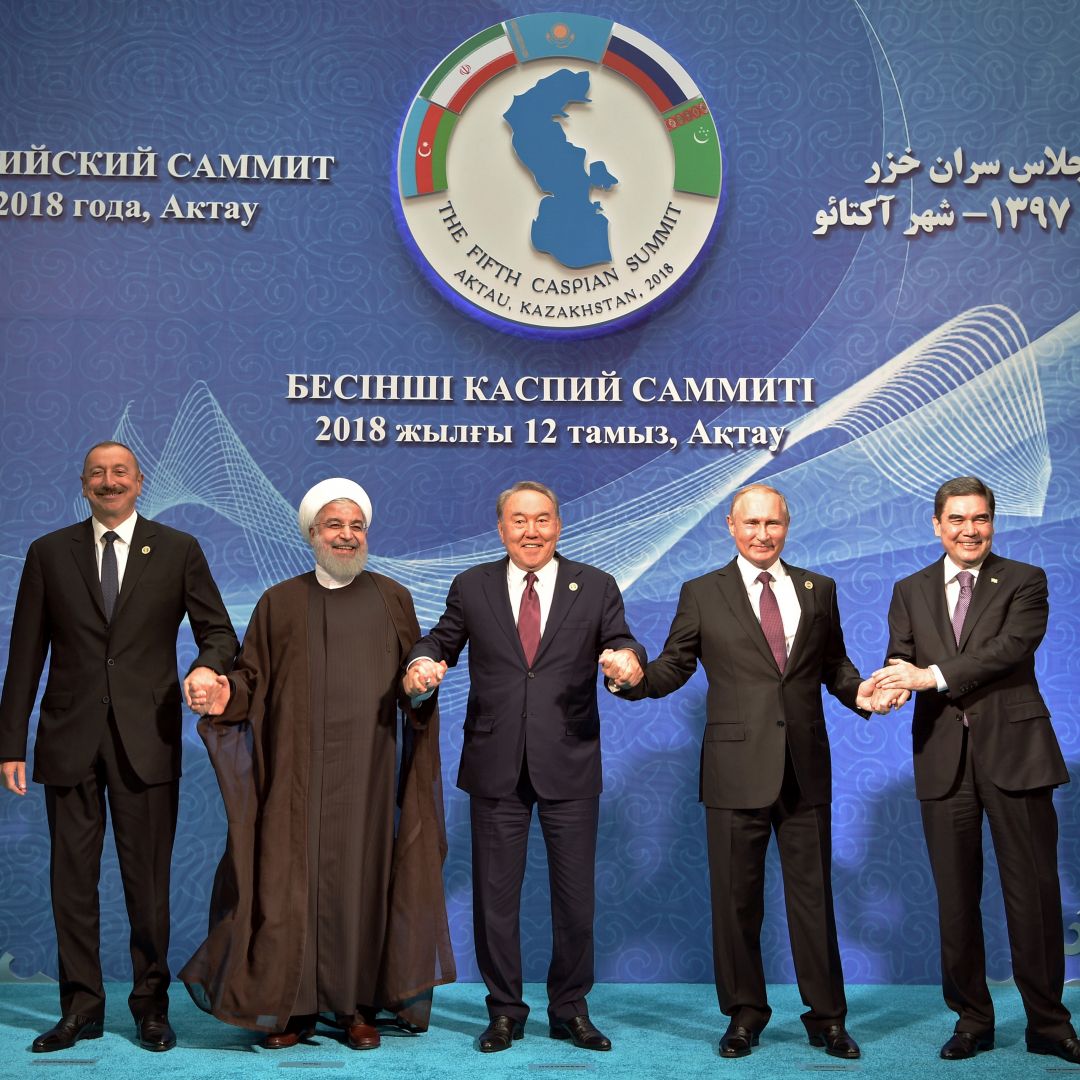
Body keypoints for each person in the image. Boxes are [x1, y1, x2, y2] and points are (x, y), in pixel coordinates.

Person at [180, 478, 454, 1051]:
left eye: (357, 527)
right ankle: (292, 1007)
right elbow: (250, 679)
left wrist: (421, 688)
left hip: (368, 777)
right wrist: (221, 692)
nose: (347, 536)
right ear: (311, 533)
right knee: (286, 885)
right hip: (294, 775)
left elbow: (414, 684)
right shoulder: (278, 601)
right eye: (335, 525)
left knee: (362, 882)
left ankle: (356, 1007)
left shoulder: (393, 597)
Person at [619, 484, 877, 1060]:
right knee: (736, 900)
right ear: (730, 526)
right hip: (734, 769)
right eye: (751, 523)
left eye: (774, 524)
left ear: (787, 525)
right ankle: (744, 1014)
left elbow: (835, 665)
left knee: (814, 900)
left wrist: (862, 692)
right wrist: (631, 679)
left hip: (805, 768)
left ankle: (828, 1018)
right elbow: (673, 667)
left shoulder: (819, 588)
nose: (763, 535)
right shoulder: (702, 592)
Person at [0, 441, 237, 1054]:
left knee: (147, 883)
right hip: (67, 738)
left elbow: (219, 631)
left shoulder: (178, 549)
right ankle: (81, 1007)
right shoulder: (50, 553)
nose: (110, 482)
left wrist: (208, 669)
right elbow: (25, 654)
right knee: (71, 883)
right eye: (98, 474)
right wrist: (10, 743)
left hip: (148, 740)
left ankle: (151, 1007)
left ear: (140, 482)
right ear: (84, 484)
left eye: (120, 473)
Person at [403, 481, 644, 1053]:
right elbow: (440, 641)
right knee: (494, 898)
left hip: (570, 759)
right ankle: (505, 1010)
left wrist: (626, 665)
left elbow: (623, 644)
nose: (531, 531)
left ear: (558, 524)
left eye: (542, 519)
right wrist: (419, 667)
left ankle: (569, 1008)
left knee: (575, 899)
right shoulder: (473, 585)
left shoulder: (597, 585)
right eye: (519, 521)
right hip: (495, 764)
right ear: (501, 528)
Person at [872, 476, 1080, 1063]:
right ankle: (971, 1020)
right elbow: (902, 652)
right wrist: (891, 683)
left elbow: (1009, 649)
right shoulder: (909, 588)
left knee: (1034, 895)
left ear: (994, 523)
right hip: (942, 758)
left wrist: (926, 677)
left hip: (1017, 756)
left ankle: (1048, 1023)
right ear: (937, 526)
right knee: (956, 897)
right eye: (958, 519)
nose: (970, 529)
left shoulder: (1024, 581)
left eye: (981, 518)